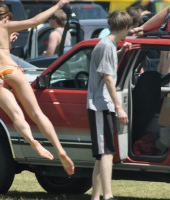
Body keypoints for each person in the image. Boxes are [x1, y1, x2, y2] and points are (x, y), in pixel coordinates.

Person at [0, 1, 74, 176]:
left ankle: (33, 142)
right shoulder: (4, 27)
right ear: (5, 18)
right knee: (36, 113)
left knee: (16, 115)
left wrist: (7, 41)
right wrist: (58, 6)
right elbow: (35, 21)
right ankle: (60, 150)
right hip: (11, 70)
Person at [87, 11, 131, 200]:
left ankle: (96, 197)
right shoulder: (106, 46)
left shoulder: (109, 45)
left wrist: (121, 52)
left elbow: (106, 66)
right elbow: (108, 78)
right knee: (106, 153)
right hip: (100, 105)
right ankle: (108, 196)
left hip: (102, 105)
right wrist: (119, 107)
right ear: (124, 27)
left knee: (101, 155)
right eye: (128, 28)